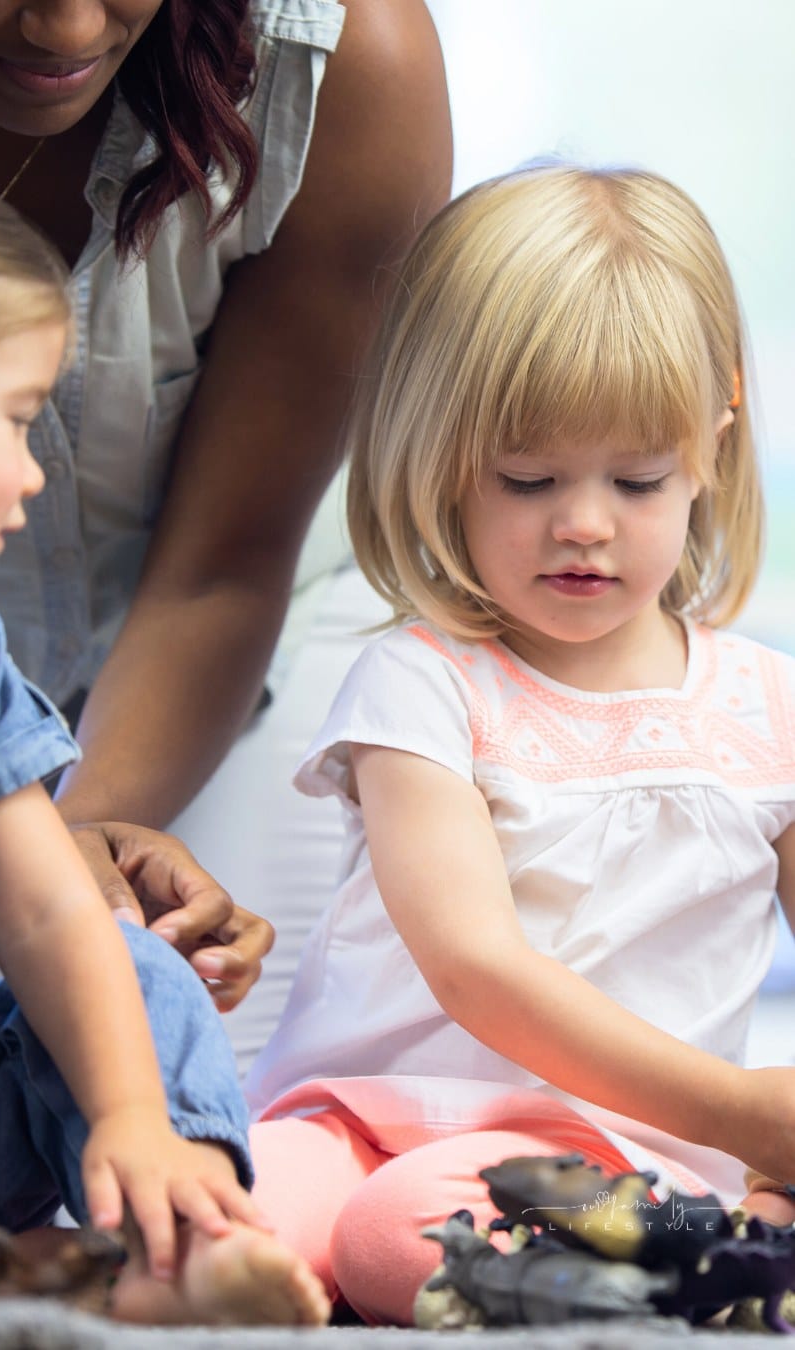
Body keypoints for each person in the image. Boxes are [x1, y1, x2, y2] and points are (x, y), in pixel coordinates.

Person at [243, 163, 795, 1325]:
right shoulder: (422, 680)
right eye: (529, 477)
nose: (584, 522)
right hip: (358, 1112)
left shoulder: (764, 707)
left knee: (400, 1234)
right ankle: (723, 1266)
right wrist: (745, 1110)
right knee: (240, 1210)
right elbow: (476, 968)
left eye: (638, 478)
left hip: (610, 1157)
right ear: (444, 457)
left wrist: (760, 1140)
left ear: (715, 432)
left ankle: (728, 1248)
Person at [0, 1, 453, 1053]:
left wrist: (67, 843)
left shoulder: (347, 69)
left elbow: (224, 567)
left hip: (249, 649)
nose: (65, 33)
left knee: (220, 1066)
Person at [0, 155, 330, 1327]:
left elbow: (48, 912)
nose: (34, 479)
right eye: (17, 423)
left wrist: (132, 1110)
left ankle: (174, 1231)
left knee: (135, 963)